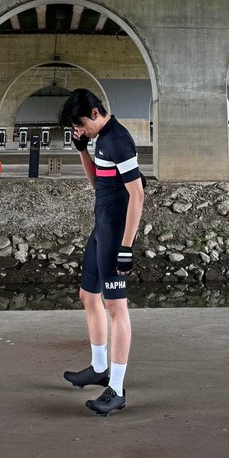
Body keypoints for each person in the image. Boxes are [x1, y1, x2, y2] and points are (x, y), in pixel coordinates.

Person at [59, 88, 145, 416]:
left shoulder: (119, 140)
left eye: (80, 126)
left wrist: (126, 246)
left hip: (114, 235)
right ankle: (99, 368)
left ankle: (117, 389)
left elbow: (137, 195)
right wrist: (82, 150)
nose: (78, 132)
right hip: (101, 229)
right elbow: (98, 183)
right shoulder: (101, 140)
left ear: (95, 113)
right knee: (87, 295)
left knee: (115, 308)